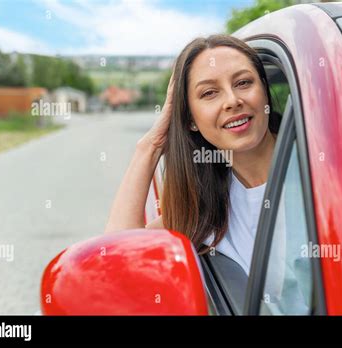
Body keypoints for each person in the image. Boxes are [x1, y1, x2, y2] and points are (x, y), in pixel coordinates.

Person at [104, 34, 281, 275]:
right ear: (191, 120)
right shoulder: (204, 210)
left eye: (243, 83)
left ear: (264, 92)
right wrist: (150, 146)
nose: (232, 100)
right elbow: (119, 259)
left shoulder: (326, 167)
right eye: (209, 93)